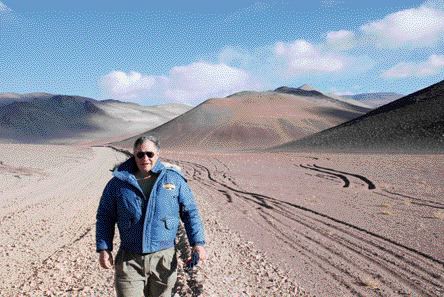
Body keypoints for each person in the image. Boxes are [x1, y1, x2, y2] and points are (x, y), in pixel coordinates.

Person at [96, 135, 206, 297]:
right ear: (134, 155)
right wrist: (104, 248)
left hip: (164, 258)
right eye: (140, 154)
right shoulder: (118, 183)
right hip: (129, 258)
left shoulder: (173, 179)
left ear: (158, 154)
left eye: (150, 154)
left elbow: (190, 212)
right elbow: (105, 217)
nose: (145, 158)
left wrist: (197, 242)